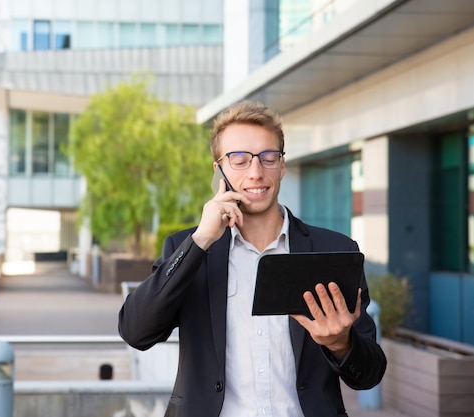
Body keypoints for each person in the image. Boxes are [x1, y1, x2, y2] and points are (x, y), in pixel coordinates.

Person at [118, 100, 387, 417]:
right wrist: (201, 240)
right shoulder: (189, 248)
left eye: (268, 157)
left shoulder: (335, 249)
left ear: (283, 165)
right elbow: (136, 332)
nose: (256, 172)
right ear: (219, 169)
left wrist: (341, 343)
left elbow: (369, 374)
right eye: (239, 159)